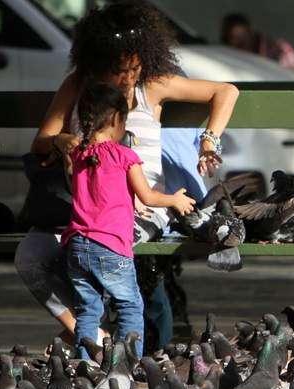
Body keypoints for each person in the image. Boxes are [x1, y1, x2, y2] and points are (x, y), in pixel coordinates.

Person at [15, 0, 238, 348]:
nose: (130, 77)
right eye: (121, 70)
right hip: (85, 209)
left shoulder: (152, 86)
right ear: (98, 63)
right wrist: (61, 141)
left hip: (141, 208)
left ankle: (88, 338)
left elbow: (226, 91)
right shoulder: (78, 86)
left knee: (99, 256)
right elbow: (41, 142)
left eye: (136, 67)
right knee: (30, 255)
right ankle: (89, 333)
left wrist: (209, 141)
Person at [63, 82, 195, 358]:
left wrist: (128, 200)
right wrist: (175, 200)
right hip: (110, 246)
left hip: (77, 244)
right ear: (115, 120)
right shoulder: (124, 156)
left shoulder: (79, 155)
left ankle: (84, 365)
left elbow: (94, 192)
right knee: (130, 306)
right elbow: (149, 196)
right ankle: (127, 363)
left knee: (88, 310)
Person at [220, 13, 294, 70]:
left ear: (250, 33)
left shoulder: (281, 51)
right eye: (229, 39)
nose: (234, 44)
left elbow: (291, 80)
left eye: (240, 39)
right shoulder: (225, 54)